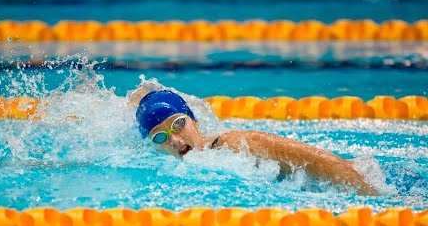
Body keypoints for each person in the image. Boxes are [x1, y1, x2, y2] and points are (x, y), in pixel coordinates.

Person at [129, 83, 380, 196]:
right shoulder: (190, 165)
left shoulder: (235, 144)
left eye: (179, 124)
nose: (173, 140)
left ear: (194, 120)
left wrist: (373, 195)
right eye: (160, 136)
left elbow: (321, 161)